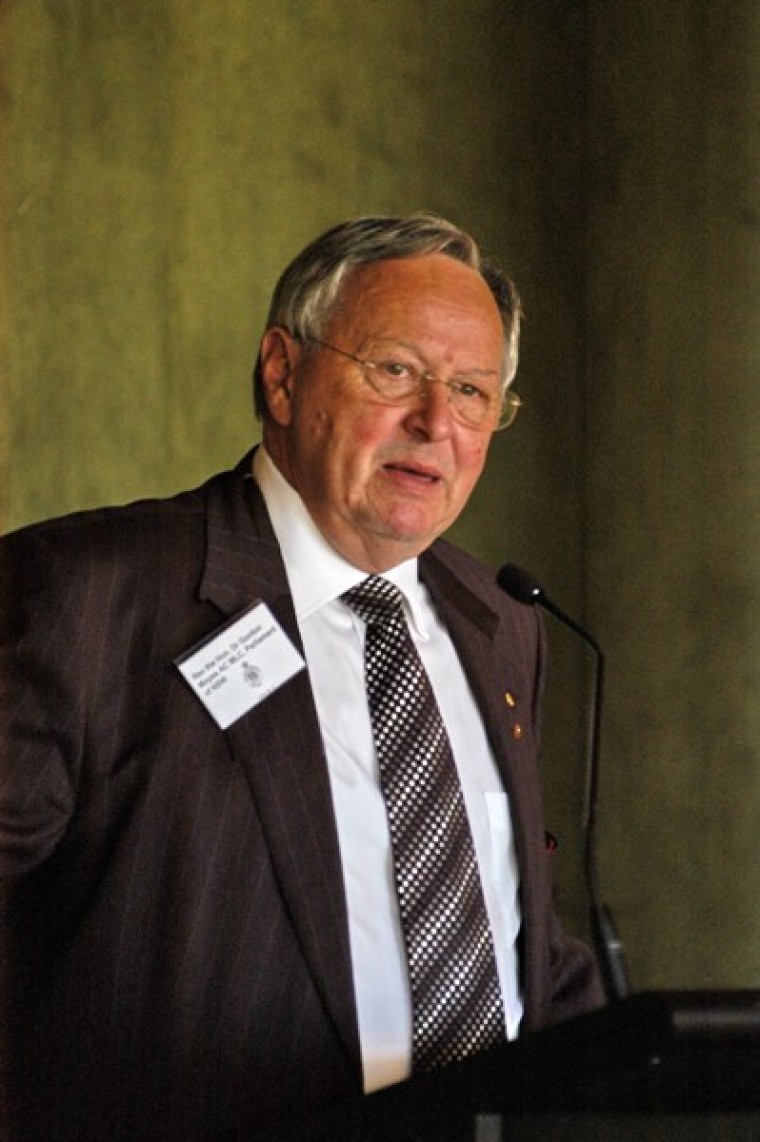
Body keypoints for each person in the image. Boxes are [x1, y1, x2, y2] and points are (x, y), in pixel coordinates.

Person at [0, 213, 603, 1142]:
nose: (436, 423)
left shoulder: (503, 623)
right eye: (395, 370)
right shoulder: (88, 596)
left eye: (472, 391)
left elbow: (511, 933)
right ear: (283, 374)